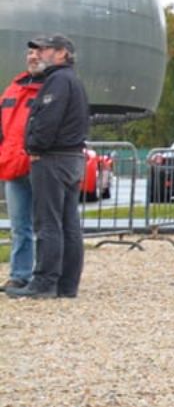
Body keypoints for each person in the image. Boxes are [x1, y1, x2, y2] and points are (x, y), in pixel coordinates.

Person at [8, 34, 89, 300]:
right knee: (68, 224)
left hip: (53, 159)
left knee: (48, 223)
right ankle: (66, 285)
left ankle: (44, 282)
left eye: (45, 49)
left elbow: (47, 120)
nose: (39, 54)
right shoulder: (70, 80)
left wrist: (35, 148)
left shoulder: (57, 81)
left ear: (62, 53)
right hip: (70, 157)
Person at [2, 45, 42, 288]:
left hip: (40, 164)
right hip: (13, 165)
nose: (33, 57)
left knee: (47, 224)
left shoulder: (53, 88)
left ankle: (47, 274)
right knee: (19, 225)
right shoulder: (13, 88)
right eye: (30, 53)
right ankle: (20, 274)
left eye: (38, 53)